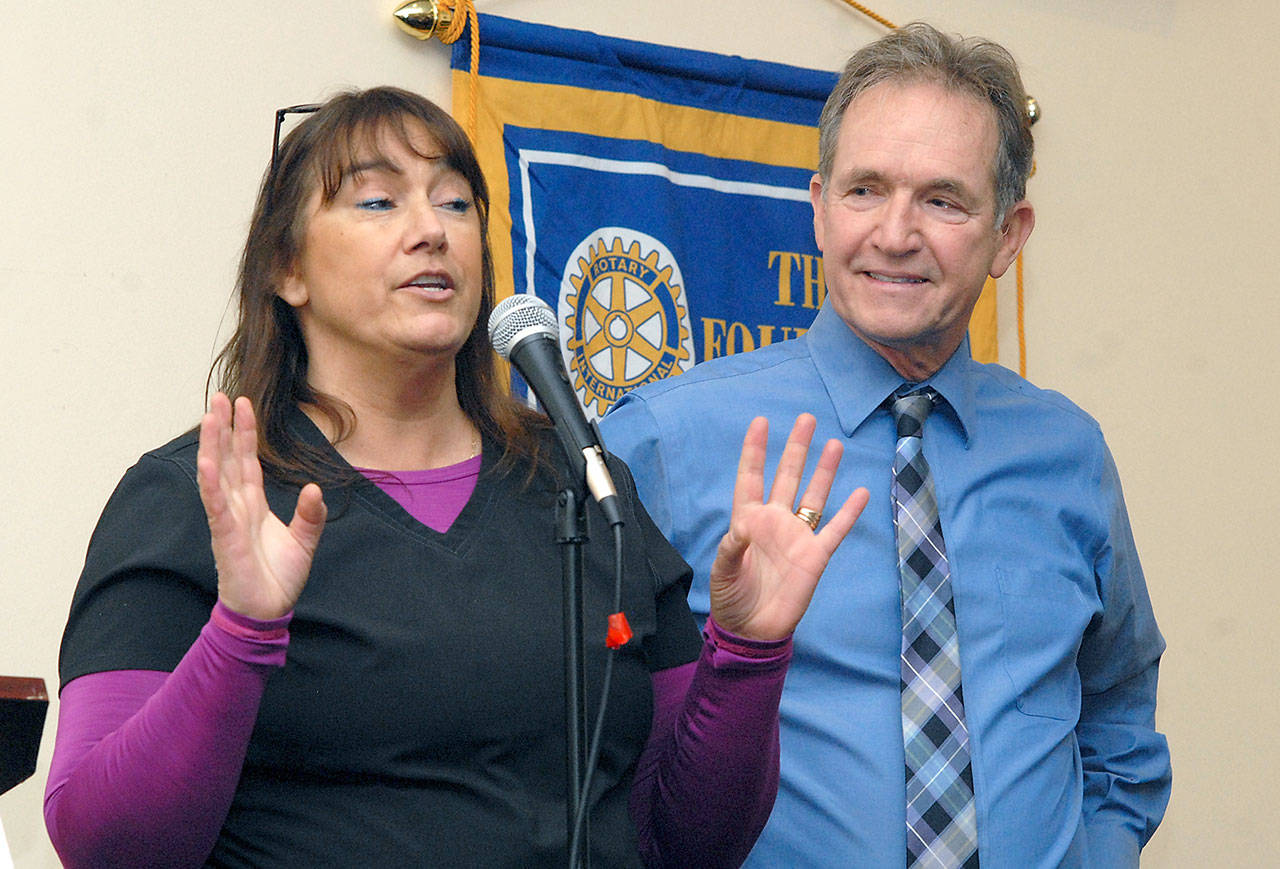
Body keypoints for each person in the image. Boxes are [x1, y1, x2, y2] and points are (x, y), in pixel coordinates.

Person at [43, 86, 869, 868]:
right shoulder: (198, 499)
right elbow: (104, 845)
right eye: (378, 201)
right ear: (286, 269)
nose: (430, 230)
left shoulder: (587, 486)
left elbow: (686, 844)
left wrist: (747, 651)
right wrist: (242, 632)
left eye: (455, 202)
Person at [600, 22, 1171, 868]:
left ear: (1008, 234)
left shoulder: (1068, 454)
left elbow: (1118, 710)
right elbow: (580, 753)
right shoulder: (660, 440)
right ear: (818, 207)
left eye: (942, 200)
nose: (895, 233)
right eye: (865, 190)